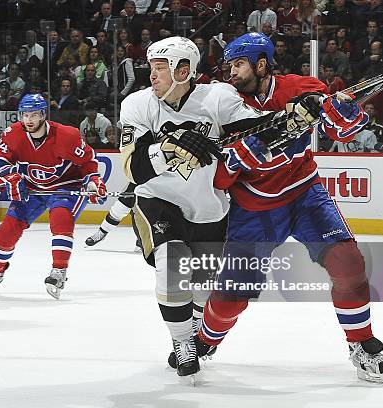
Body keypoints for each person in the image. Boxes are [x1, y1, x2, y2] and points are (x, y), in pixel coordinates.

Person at [195, 32, 383, 384]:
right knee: (232, 297)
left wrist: (346, 115)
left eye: (238, 64)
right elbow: (218, 178)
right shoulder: (219, 102)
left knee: (348, 263)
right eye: (228, 65)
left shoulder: (302, 87)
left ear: (261, 63)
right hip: (253, 209)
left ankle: (362, 343)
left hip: (305, 194)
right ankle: (204, 340)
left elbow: (340, 131)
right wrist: (243, 153)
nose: (231, 72)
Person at [117, 36, 294, 378]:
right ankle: (182, 341)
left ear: (184, 70)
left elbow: (260, 129)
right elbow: (132, 167)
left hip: (209, 207)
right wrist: (170, 148)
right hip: (158, 200)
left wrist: (297, 116)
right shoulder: (137, 105)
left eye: (159, 69)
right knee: (173, 266)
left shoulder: (217, 96)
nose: (151, 76)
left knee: (203, 283)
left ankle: (195, 323)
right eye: (151, 68)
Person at [0, 94, 107, 299]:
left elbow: (88, 162)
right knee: (6, 230)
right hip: (32, 188)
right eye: (25, 115)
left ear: (44, 114)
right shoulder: (13, 134)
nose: (29, 120)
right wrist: (8, 178)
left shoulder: (66, 136)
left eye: (34, 115)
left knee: (61, 218)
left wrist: (93, 181)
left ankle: (59, 271)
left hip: (65, 186)